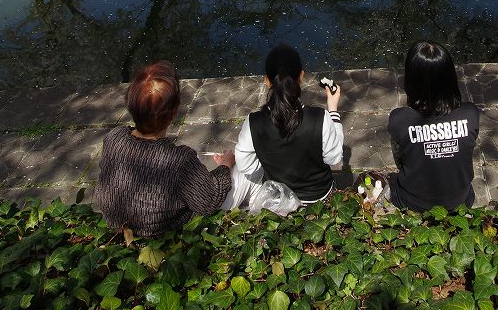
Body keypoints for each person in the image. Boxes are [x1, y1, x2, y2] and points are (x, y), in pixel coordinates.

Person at [94, 61, 256, 236]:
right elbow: (209, 201)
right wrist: (225, 166)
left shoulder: (114, 137)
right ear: (173, 112)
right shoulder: (179, 160)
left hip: (116, 222)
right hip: (160, 231)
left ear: (130, 105)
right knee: (245, 169)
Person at [234, 44, 343, 205]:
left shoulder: (253, 123)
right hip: (319, 199)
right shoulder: (320, 118)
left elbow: (245, 166)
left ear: (266, 80)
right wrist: (333, 110)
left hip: (280, 201)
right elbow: (334, 159)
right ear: (301, 76)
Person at [387, 40, 480, 212]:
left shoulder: (398, 120)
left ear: (411, 79)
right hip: (460, 201)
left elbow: (400, 162)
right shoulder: (471, 114)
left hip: (414, 203)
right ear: (450, 76)